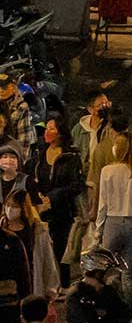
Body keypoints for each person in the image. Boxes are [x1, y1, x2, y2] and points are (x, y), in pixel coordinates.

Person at [95, 133, 132, 307]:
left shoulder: (107, 171)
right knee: (129, 275)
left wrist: (98, 229)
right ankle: (127, 313)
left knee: (103, 270)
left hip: (112, 223)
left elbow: (102, 204)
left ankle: (104, 308)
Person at [24, 117, 81, 282]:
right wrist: (37, 194)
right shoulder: (40, 155)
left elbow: (76, 186)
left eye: (52, 129)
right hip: (41, 209)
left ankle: (63, 283)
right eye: (46, 128)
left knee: (61, 248)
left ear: (61, 133)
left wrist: (53, 197)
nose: (47, 132)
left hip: (62, 210)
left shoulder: (70, 156)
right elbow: (32, 175)